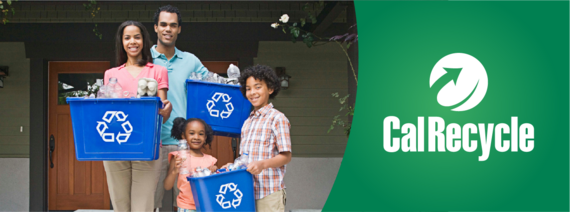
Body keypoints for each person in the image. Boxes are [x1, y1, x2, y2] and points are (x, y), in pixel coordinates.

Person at [102, 20, 172, 212]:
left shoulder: (158, 71)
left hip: (146, 146)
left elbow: (162, 114)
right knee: (120, 204)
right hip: (115, 146)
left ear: (144, 41)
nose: (132, 42)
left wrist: (167, 110)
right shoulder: (111, 74)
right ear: (121, 42)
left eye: (137, 37)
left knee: (143, 205)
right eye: (127, 38)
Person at [150, 5, 213, 210]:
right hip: (153, 145)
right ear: (156, 28)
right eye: (164, 24)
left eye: (173, 25)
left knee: (190, 203)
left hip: (184, 145)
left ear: (179, 29)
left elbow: (212, 86)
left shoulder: (191, 61)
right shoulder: (144, 59)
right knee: (150, 203)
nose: (168, 29)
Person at [224, 65, 292, 212]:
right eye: (248, 88)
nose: (252, 92)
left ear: (270, 89)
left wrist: (262, 164)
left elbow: (286, 156)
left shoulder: (278, 118)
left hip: (269, 193)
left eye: (258, 87)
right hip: (246, 191)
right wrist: (232, 167)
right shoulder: (247, 122)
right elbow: (245, 158)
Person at [164, 117, 218, 212]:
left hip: (207, 206)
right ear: (183, 136)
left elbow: (215, 187)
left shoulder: (211, 160)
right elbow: (167, 186)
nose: (196, 137)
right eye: (192, 133)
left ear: (205, 137)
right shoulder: (178, 157)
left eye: (201, 134)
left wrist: (214, 172)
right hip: (186, 207)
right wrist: (175, 170)